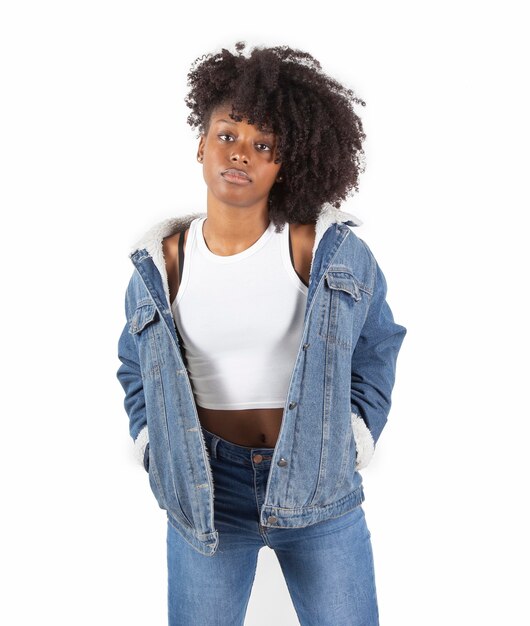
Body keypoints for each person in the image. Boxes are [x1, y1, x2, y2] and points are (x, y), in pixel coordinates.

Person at [116, 41, 406, 626]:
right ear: (201, 144)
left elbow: (378, 340)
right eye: (228, 135)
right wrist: (153, 444)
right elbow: (133, 366)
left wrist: (355, 431)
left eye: (263, 144)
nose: (240, 153)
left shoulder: (324, 252)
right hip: (207, 498)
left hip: (319, 486)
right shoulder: (162, 266)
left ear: (283, 164)